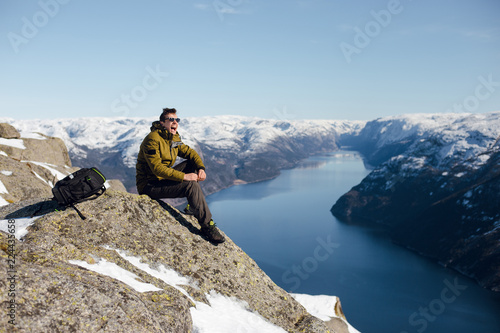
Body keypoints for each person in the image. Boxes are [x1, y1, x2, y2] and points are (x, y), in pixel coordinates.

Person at [136, 107, 225, 244]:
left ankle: (193, 205)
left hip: (161, 179)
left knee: (192, 164)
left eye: (176, 120)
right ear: (162, 123)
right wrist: (184, 177)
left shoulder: (173, 137)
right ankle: (207, 226)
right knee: (190, 184)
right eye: (170, 120)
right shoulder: (152, 140)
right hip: (149, 185)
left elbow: (191, 153)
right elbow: (157, 169)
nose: (175, 122)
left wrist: (201, 168)